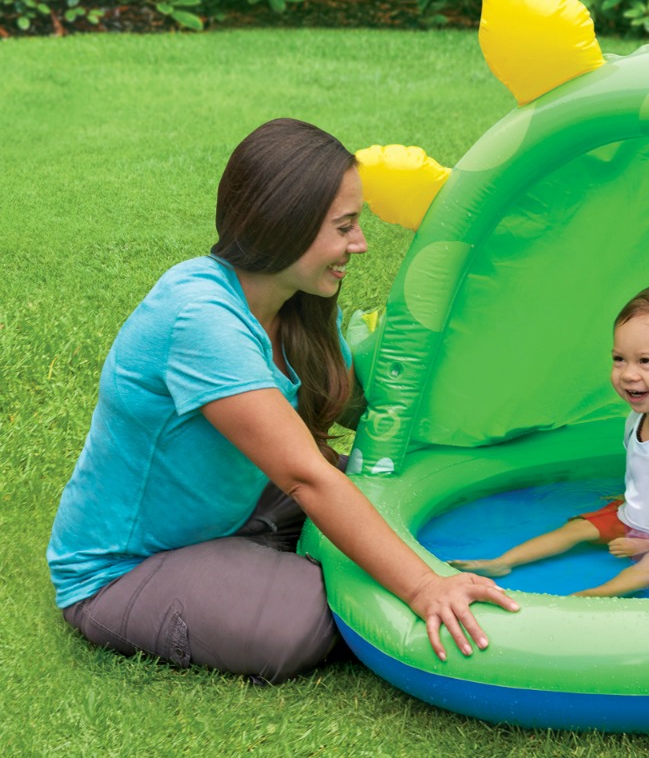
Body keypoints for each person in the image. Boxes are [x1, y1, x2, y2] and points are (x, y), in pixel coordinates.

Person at [47, 118, 518, 683]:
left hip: (244, 508)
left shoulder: (294, 304)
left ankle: (268, 556)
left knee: (387, 493)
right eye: (344, 226)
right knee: (303, 620)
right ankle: (267, 567)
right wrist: (423, 585)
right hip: (127, 569)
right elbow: (306, 477)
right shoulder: (200, 317)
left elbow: (368, 411)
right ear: (285, 224)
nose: (360, 244)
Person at [451, 282, 649, 597]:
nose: (627, 374)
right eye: (619, 358)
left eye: (645, 361)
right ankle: (502, 562)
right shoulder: (640, 415)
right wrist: (633, 504)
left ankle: (592, 597)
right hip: (642, 520)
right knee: (578, 528)